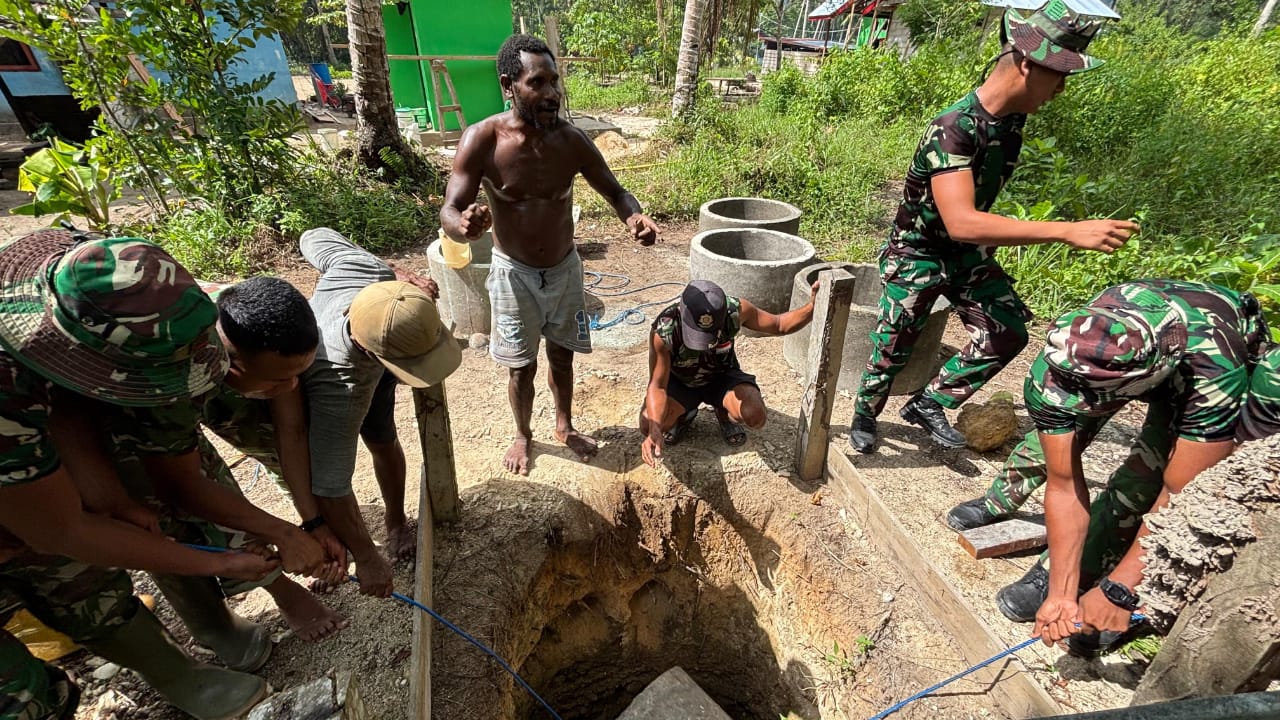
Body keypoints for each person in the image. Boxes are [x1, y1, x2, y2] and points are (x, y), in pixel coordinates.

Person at [0, 229, 281, 720]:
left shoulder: (90, 269)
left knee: (138, 496)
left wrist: (110, 496)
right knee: (65, 573)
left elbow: (62, 400)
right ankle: (176, 675)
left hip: (26, 432)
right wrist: (225, 565)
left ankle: (212, 627)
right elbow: (62, 532)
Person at [847, 0, 1137, 455]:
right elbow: (962, 221)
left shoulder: (1010, 123)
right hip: (918, 252)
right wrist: (1066, 230)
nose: (1060, 89)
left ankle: (930, 402)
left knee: (1007, 330)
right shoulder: (953, 129)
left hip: (965, 255)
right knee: (895, 343)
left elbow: (968, 229)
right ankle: (865, 413)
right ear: (1025, 63)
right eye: (1058, 74)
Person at [955, 281, 1269, 655]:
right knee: (1048, 448)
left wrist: (1119, 590)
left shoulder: (1214, 369)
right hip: (1135, 357)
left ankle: (1106, 573)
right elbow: (1064, 483)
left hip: (1192, 365)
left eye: (1095, 399)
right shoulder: (1062, 358)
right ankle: (1049, 562)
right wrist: (1061, 590)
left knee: (1147, 477)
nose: (1081, 406)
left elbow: (1183, 495)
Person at [440, 34, 660, 476]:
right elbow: (450, 209)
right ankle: (523, 433)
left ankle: (564, 425)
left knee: (563, 354)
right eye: (537, 82)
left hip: (564, 272)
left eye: (554, 81)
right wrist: (462, 226)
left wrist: (635, 217)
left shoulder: (571, 141)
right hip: (512, 275)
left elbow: (616, 191)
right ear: (509, 85)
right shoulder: (482, 140)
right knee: (520, 366)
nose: (552, 93)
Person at [98, 275, 349, 657]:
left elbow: (290, 431)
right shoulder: (165, 383)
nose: (293, 386)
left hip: (206, 384)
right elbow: (183, 485)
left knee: (259, 442)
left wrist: (313, 523)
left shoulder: (259, 323)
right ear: (226, 364)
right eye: (280, 379)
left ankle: (271, 573)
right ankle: (222, 619)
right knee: (158, 511)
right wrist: (285, 535)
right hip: (120, 406)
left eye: (299, 373)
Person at [297, 227, 461, 597]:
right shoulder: (342, 387)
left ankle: (395, 520)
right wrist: (367, 557)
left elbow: (313, 236)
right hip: (322, 386)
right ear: (378, 357)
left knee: (382, 439)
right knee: (320, 469)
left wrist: (394, 273)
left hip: (371, 354)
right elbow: (330, 486)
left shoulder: (363, 268)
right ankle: (336, 549)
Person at [639, 280, 818, 466]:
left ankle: (723, 411)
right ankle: (685, 414)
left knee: (755, 416)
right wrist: (655, 428)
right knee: (648, 424)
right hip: (682, 384)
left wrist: (812, 306)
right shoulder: (664, 329)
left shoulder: (736, 311)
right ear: (682, 314)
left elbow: (779, 324)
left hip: (721, 378)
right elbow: (658, 385)